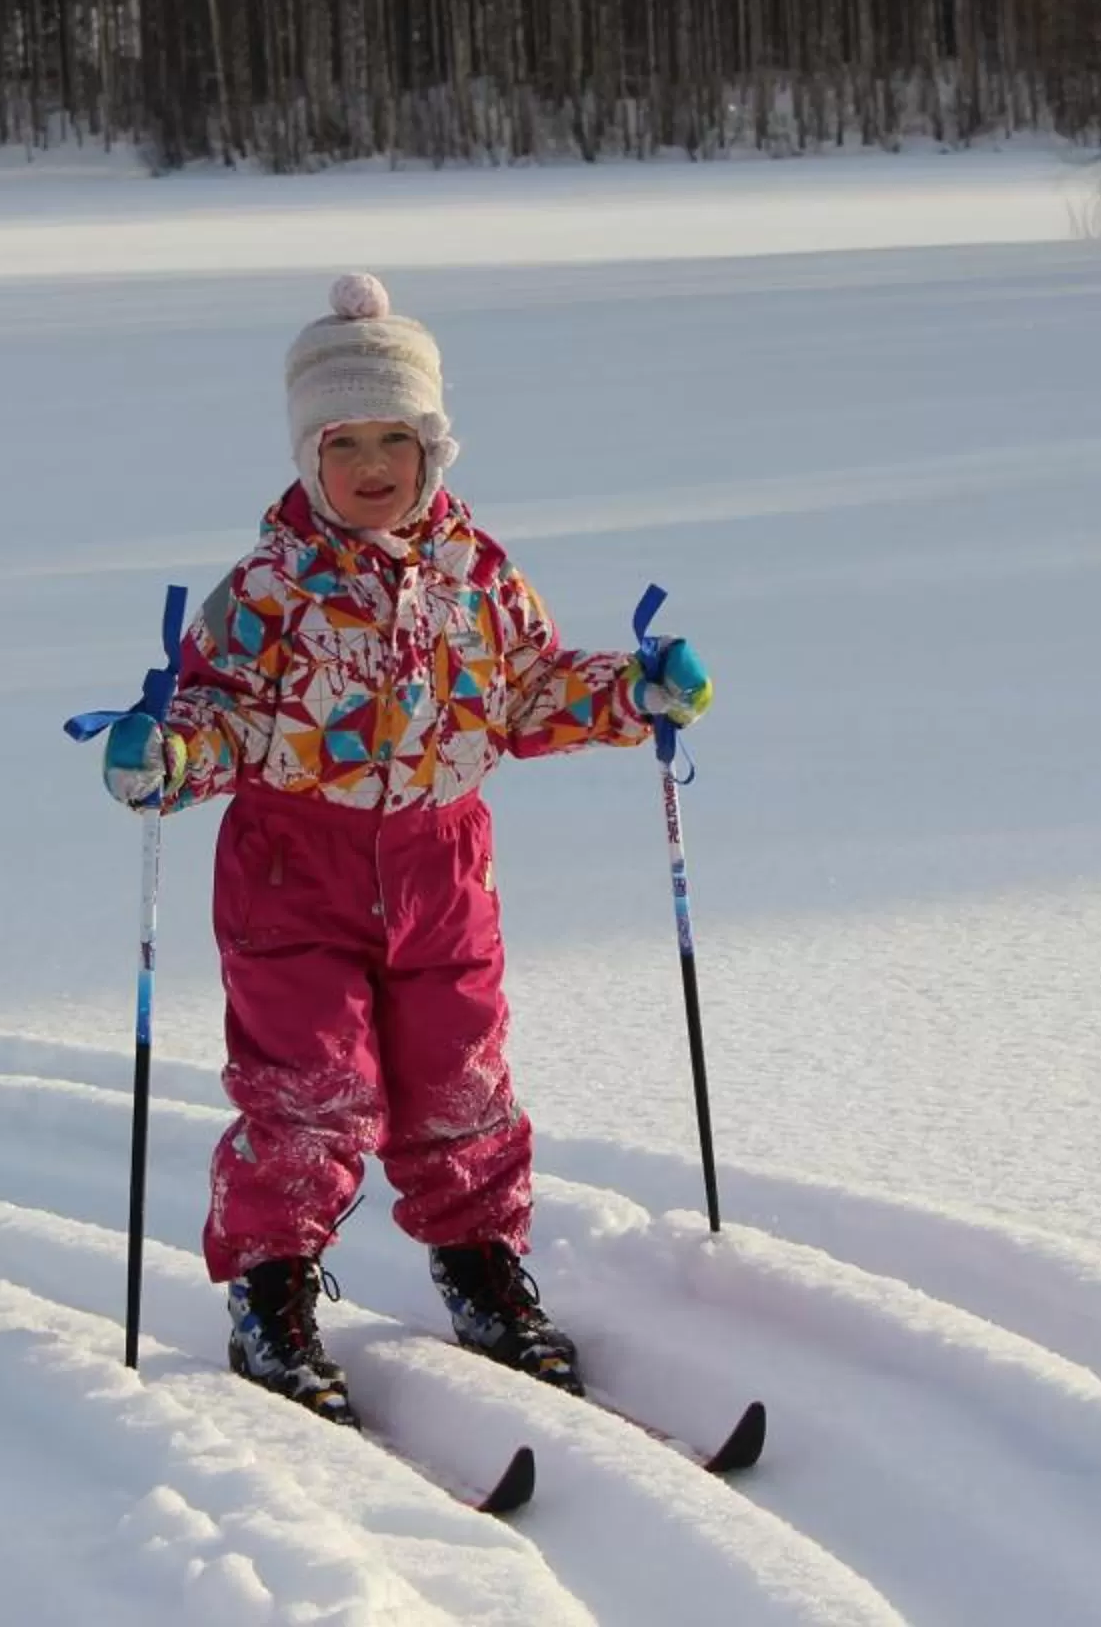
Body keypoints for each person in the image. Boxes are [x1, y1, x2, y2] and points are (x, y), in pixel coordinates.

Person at [95, 272, 714, 1426]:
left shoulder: (481, 577)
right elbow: (218, 715)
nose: (375, 466)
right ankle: (272, 1291)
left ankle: (480, 1266)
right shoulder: (266, 592)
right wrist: (166, 757)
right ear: (307, 451)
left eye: (400, 438)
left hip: (442, 869)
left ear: (436, 445)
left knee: (461, 1081)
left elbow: (528, 692)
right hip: (295, 872)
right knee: (313, 1090)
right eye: (346, 442)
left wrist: (633, 693)